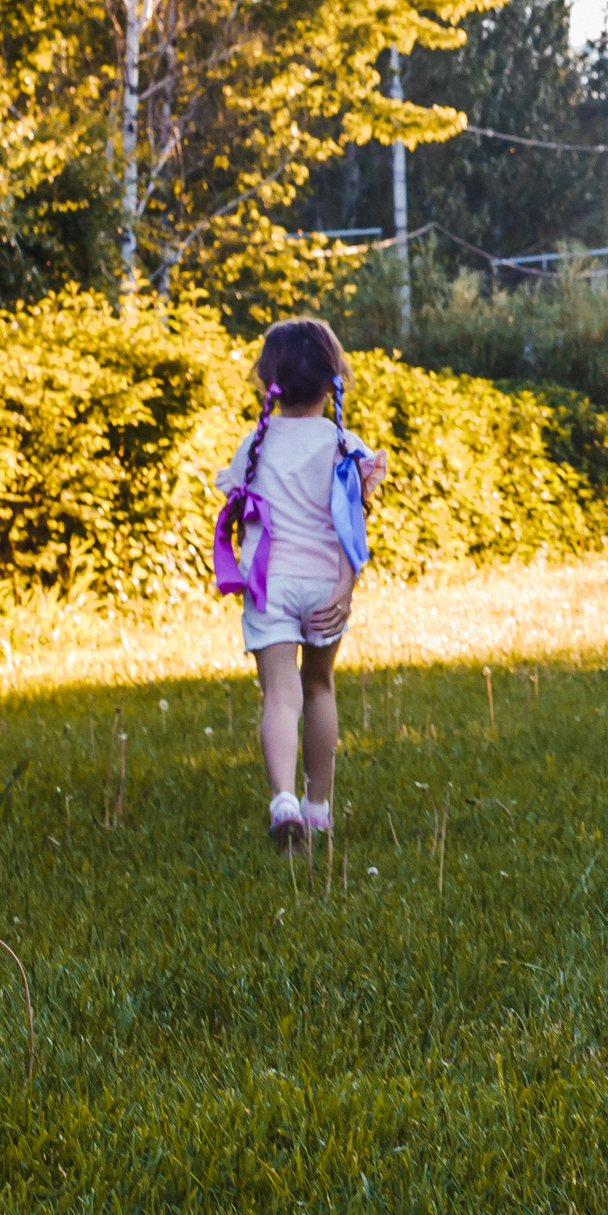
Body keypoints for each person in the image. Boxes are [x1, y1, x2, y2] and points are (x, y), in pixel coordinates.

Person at [213, 316, 386, 861]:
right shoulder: (344, 444)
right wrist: (345, 589)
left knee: (280, 695)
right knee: (319, 688)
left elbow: (242, 518)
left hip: (271, 585)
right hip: (324, 583)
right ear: (334, 377)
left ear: (269, 380)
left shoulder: (256, 444)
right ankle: (319, 810)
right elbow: (352, 527)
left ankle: (283, 801)